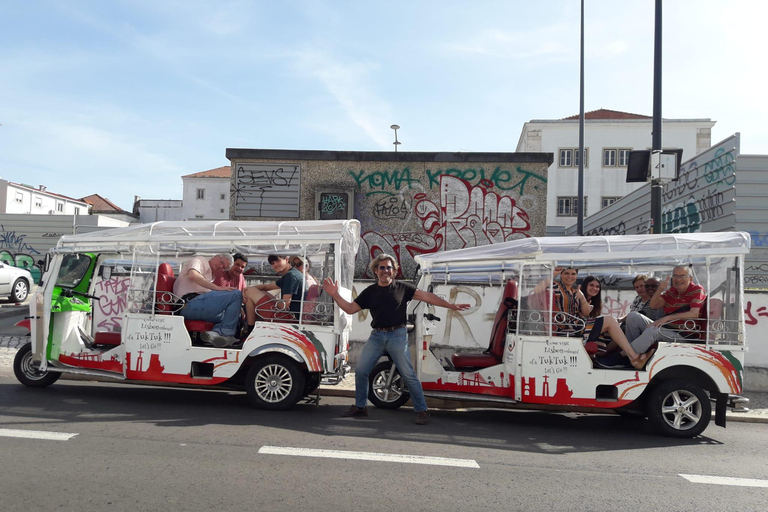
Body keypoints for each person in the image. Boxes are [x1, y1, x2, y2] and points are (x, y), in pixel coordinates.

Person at [322, 253, 471, 425]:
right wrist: (335, 294)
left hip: (397, 335)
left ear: (394, 271)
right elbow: (349, 309)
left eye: (389, 268)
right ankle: (360, 407)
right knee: (361, 371)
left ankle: (422, 411)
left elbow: (427, 297)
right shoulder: (370, 292)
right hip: (377, 336)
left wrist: (451, 306)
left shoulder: (402, 288)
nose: (385, 270)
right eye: (382, 267)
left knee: (408, 374)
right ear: (376, 271)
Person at [578, 275, 654, 369]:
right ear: (585, 286)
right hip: (581, 328)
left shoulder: (655, 300)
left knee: (616, 328)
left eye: (597, 286)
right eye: (591, 285)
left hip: (643, 328)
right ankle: (631, 357)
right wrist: (619, 319)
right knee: (614, 325)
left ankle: (607, 356)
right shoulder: (579, 297)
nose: (594, 288)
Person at [626, 265, 707, 353]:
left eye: (682, 276)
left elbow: (694, 314)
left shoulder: (697, 289)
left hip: (683, 335)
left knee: (653, 331)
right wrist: (660, 289)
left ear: (690, 278)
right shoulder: (672, 291)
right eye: (675, 276)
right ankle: (633, 353)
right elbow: (653, 305)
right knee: (632, 317)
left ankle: (627, 354)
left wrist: (667, 318)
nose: (678, 279)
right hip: (666, 328)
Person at [174, 253, 243, 347]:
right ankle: (227, 335)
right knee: (236, 294)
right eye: (221, 262)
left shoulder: (211, 276)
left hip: (195, 305)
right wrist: (217, 288)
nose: (221, 266)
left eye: (223, 267)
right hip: (187, 303)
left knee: (233, 314)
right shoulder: (200, 260)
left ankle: (214, 335)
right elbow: (193, 276)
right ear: (216, 256)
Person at [242, 254, 304, 330]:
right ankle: (251, 327)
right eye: (272, 263)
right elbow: (266, 287)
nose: (275, 265)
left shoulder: (291, 276)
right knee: (252, 292)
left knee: (249, 292)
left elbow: (284, 306)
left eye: (278, 261)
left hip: (288, 318)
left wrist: (247, 291)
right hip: (292, 315)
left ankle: (250, 329)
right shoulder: (293, 274)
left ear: (287, 260)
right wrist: (245, 289)